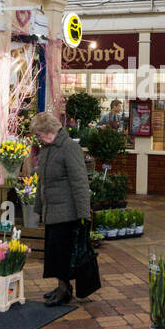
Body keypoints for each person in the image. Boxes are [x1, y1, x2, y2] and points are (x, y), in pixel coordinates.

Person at [32, 112, 101, 306]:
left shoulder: (69, 148)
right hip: (52, 211)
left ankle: (64, 290)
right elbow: (42, 183)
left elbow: (79, 183)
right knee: (55, 252)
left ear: (49, 130)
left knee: (64, 253)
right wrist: (39, 207)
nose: (38, 139)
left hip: (67, 212)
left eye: (39, 134)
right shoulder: (46, 149)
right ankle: (62, 286)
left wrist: (84, 215)